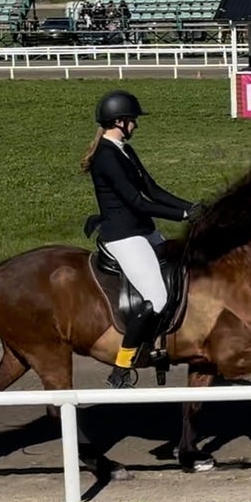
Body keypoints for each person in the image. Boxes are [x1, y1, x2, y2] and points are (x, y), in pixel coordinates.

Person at [81, 89, 198, 388]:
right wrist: (182, 218)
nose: (136, 125)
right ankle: (121, 366)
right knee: (156, 297)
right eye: (132, 120)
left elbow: (153, 190)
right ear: (119, 121)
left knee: (183, 273)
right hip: (124, 236)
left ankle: (167, 340)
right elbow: (137, 202)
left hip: (143, 230)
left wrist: (191, 207)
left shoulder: (124, 150)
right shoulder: (105, 157)